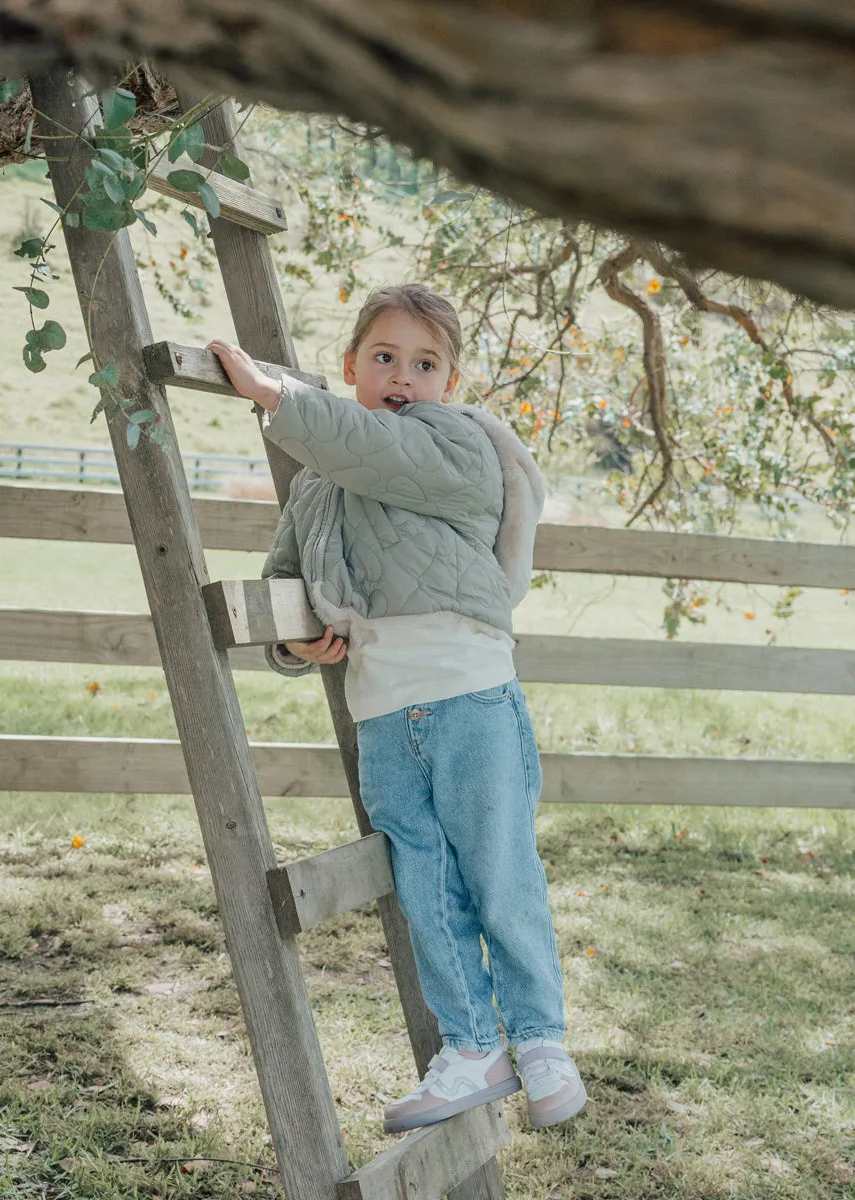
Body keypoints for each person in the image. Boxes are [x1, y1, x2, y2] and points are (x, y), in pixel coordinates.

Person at [207, 283, 587, 1133]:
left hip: (471, 703)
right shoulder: (316, 485)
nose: (403, 376)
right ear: (351, 367)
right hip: (384, 718)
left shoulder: (454, 444)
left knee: (499, 871)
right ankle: (470, 1047)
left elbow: (378, 452)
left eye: (426, 363)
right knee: (426, 884)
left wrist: (277, 397)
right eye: (384, 357)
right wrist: (294, 642)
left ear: (450, 383)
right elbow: (286, 577)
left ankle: (540, 1039)